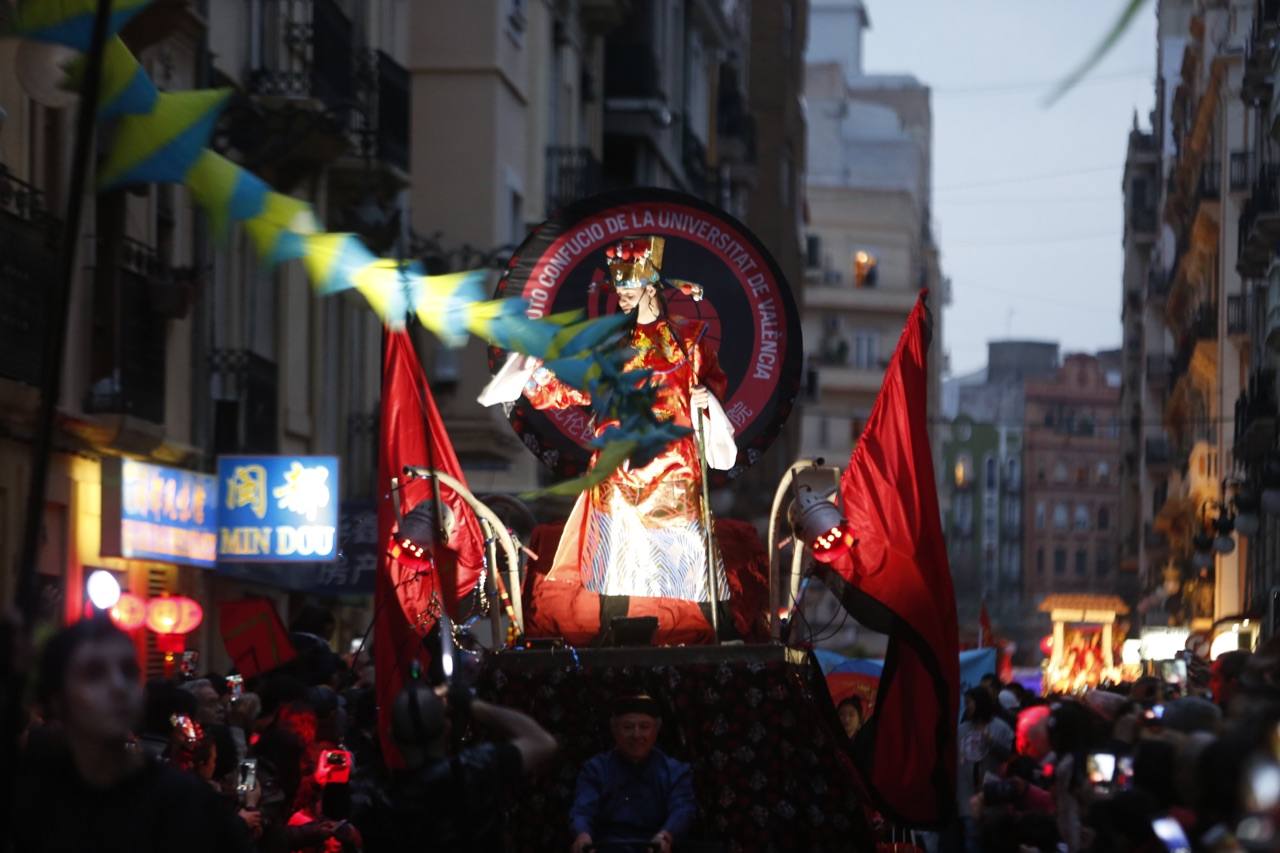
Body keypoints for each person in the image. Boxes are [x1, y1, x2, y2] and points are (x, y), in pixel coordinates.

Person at [479, 236, 737, 606]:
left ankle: (683, 630)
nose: (621, 296)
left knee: (681, 573)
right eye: (618, 288)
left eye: (628, 286)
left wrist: (706, 401)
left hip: (675, 470)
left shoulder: (689, 344)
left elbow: (712, 387)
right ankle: (618, 628)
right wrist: (534, 368)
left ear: (650, 285)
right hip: (620, 471)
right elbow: (571, 387)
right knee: (619, 569)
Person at [12, 618, 252, 853]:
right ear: (56, 698)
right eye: (95, 674)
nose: (117, 685)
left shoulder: (184, 802)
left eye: (128, 672)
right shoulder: (30, 802)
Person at [373, 680, 557, 851]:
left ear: (392, 736)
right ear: (447, 728)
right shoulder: (477, 768)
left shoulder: (381, 805)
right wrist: (473, 704)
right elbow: (543, 742)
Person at [569, 694, 697, 853]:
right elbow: (582, 810)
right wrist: (583, 835)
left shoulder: (675, 771)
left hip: (655, 847)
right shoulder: (595, 769)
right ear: (614, 730)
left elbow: (683, 809)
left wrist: (666, 835)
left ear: (656, 730)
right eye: (628, 727)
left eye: (644, 727)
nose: (636, 735)